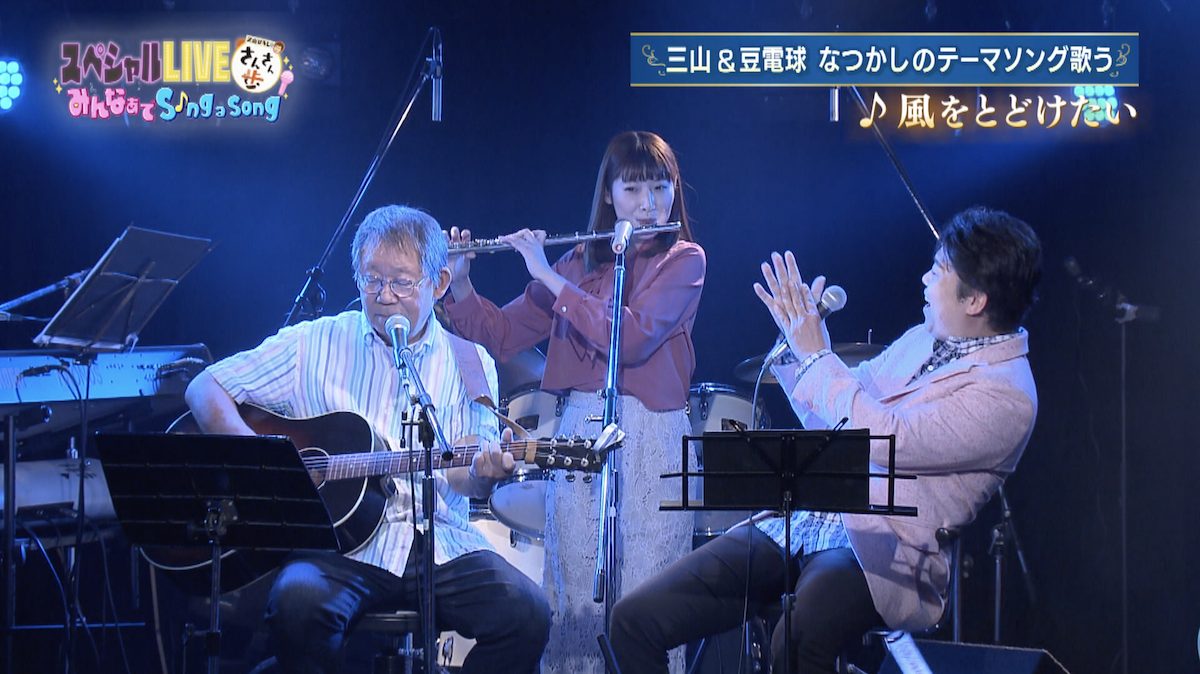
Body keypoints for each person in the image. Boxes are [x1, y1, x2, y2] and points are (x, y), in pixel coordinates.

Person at [610, 206, 1043, 674]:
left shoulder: (1006, 395)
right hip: (805, 519)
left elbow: (887, 439)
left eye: (938, 271)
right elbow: (834, 422)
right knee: (634, 619)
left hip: (884, 550)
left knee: (797, 638)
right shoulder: (923, 338)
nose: (924, 279)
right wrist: (798, 347)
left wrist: (819, 356)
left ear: (974, 300)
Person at [184, 205, 550, 674]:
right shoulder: (314, 343)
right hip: (340, 550)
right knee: (297, 605)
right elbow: (205, 387)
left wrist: (484, 472)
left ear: (439, 283)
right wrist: (259, 460)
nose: (384, 296)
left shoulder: (470, 361)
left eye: (401, 282)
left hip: (440, 546)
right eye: (371, 280)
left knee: (527, 614)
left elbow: (465, 473)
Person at [442, 130, 706, 673]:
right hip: (579, 437)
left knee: (648, 597)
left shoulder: (684, 260)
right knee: (577, 596)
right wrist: (462, 286)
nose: (649, 204)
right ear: (609, 194)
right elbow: (502, 335)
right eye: (633, 189)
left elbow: (632, 337)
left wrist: (545, 275)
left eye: (661, 188)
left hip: (654, 441)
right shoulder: (579, 263)